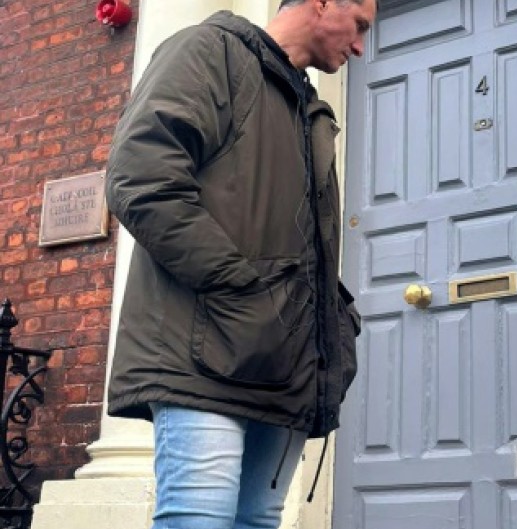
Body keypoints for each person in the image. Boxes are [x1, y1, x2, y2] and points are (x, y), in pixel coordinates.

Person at [104, 1, 376, 527]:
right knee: (198, 517)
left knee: (258, 520)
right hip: (205, 355)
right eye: (360, 24)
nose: (362, 46)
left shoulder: (311, 112)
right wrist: (243, 288)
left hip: (286, 364)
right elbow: (141, 177)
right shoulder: (210, 53)